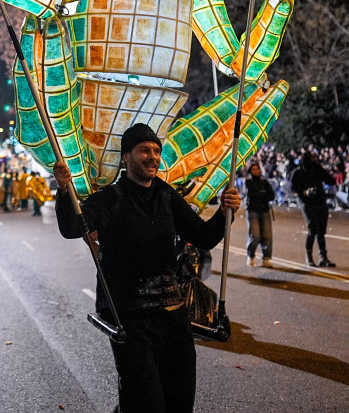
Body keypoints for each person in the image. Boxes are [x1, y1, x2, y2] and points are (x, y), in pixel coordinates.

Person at [55, 123, 240, 413]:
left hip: (174, 318)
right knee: (144, 403)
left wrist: (226, 212)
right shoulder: (109, 198)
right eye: (144, 150)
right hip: (131, 319)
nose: (152, 156)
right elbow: (72, 227)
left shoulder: (166, 196)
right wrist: (64, 190)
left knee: (179, 401)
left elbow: (204, 237)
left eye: (156, 151)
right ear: (126, 157)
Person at [290, 152, 336, 267]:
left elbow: (331, 181)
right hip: (307, 203)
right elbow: (293, 187)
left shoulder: (317, 169)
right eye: (312, 158)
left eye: (315, 158)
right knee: (313, 228)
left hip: (320, 201)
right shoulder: (298, 172)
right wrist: (304, 192)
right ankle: (309, 256)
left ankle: (323, 257)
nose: (314, 160)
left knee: (321, 230)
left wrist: (324, 171)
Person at [243, 161, 275, 267]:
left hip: (265, 210)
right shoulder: (247, 182)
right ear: (250, 171)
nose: (256, 171)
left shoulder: (265, 182)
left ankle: (266, 258)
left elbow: (272, 195)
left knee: (267, 235)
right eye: (254, 169)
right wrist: (262, 195)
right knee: (255, 235)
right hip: (253, 210)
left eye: (257, 169)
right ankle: (250, 256)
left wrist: (261, 195)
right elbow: (251, 195)